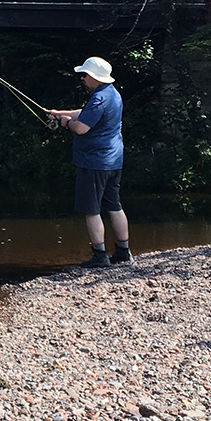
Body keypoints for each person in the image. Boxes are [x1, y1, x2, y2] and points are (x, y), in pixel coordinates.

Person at [44, 56, 130, 269]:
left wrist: (64, 123)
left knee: (91, 209)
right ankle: (123, 252)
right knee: (114, 206)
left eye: (85, 75)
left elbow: (81, 127)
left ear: (94, 77)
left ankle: (100, 256)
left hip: (94, 162)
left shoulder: (99, 97)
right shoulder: (111, 94)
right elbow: (85, 114)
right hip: (113, 161)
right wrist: (59, 113)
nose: (82, 78)